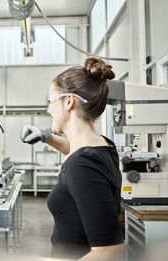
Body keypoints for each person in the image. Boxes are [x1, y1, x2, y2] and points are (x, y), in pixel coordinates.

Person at [20, 57, 124, 261]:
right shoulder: (103, 145)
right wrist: (47, 136)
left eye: (50, 101)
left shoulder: (82, 165)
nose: (48, 109)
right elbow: (77, 151)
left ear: (69, 101)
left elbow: (109, 251)